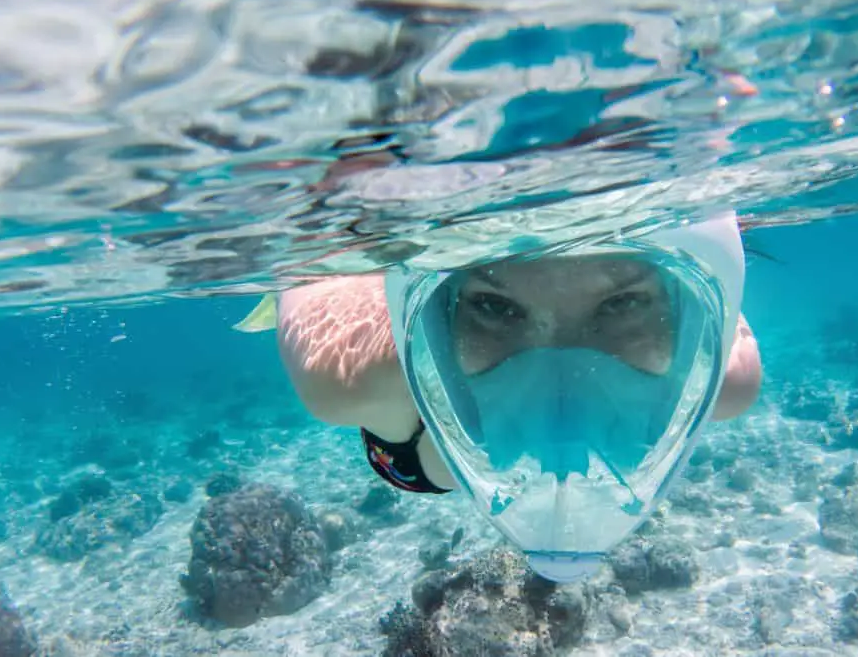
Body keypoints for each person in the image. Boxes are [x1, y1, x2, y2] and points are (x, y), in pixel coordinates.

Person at [239, 211, 762, 581]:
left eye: (623, 302)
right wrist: (311, 281)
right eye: (496, 307)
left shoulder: (723, 375)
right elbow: (309, 242)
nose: (562, 394)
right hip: (414, 431)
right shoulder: (346, 377)